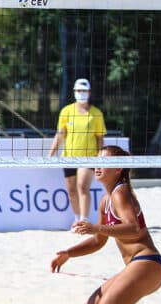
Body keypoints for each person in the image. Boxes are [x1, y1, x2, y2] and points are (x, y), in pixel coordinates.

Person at [50, 145, 161, 304]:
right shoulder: (106, 200)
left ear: (118, 168)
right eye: (97, 161)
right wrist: (69, 253)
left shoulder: (121, 192)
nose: (97, 166)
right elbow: (98, 241)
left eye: (104, 162)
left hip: (148, 263)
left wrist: (96, 227)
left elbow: (134, 229)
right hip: (139, 266)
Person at [48, 78, 107, 227]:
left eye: (84, 90)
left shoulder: (96, 114)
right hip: (69, 158)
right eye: (79, 90)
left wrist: (101, 158)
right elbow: (60, 134)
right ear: (74, 92)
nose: (81, 93)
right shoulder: (66, 111)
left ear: (89, 92)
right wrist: (51, 154)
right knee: (71, 191)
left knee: (82, 187)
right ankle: (77, 219)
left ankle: (84, 220)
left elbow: (100, 138)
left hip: (89, 158)